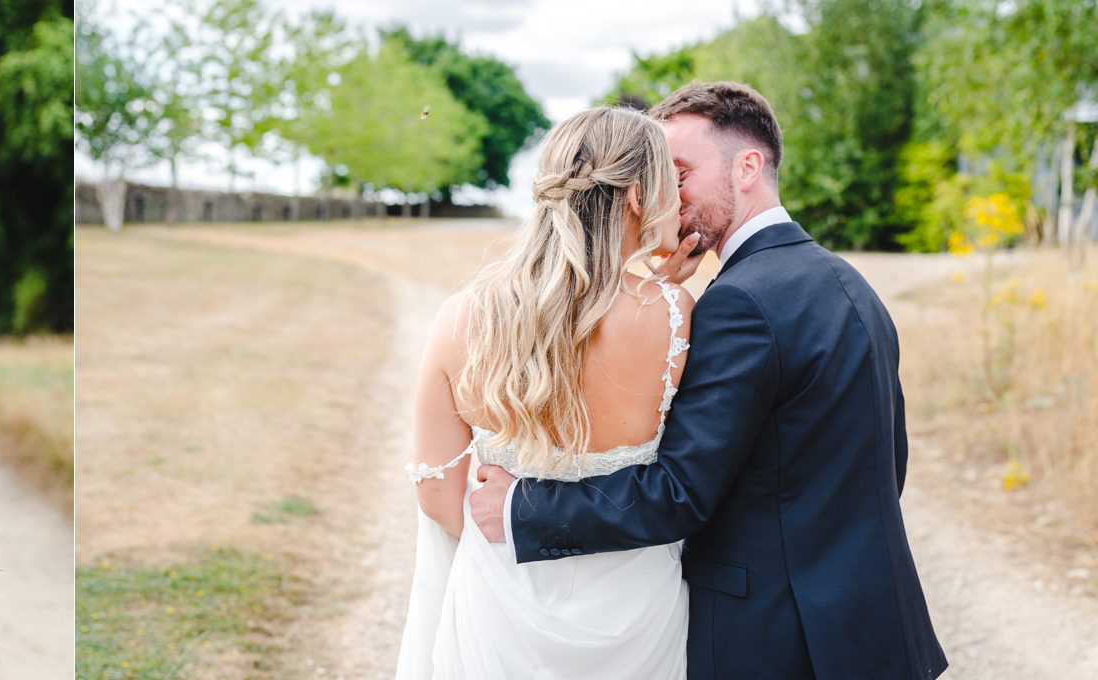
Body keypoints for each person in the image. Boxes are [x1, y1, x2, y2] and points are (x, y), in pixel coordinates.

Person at [465, 81, 947, 679]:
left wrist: (519, 510)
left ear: (748, 166)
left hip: (777, 638)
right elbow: (884, 464)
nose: (668, 194)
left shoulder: (740, 302)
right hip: (872, 626)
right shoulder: (847, 284)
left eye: (681, 172)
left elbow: (681, 493)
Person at [395, 105, 700, 678]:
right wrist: (659, 291)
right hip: (636, 611)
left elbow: (437, 496)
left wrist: (511, 545)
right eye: (670, 183)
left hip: (501, 607)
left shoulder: (463, 317)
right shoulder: (675, 315)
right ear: (637, 195)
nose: (679, 202)